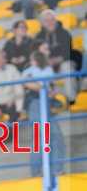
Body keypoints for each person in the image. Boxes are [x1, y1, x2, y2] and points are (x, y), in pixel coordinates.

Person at [22, 49, 65, 177]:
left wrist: (51, 90)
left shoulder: (48, 69)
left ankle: (57, 169)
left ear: (36, 60)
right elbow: (26, 83)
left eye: (32, 59)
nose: (31, 62)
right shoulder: (28, 71)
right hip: (35, 102)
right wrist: (44, 88)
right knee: (40, 136)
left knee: (56, 135)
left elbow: (53, 86)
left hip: (47, 102)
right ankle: (36, 171)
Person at [35, 9, 77, 103]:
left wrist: (57, 60)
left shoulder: (65, 33)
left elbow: (68, 52)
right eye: (47, 20)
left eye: (52, 20)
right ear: (42, 23)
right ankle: (50, 101)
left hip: (62, 63)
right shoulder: (38, 36)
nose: (50, 23)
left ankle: (71, 100)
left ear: (56, 20)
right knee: (39, 70)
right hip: (47, 65)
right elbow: (36, 54)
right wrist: (46, 61)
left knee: (67, 66)